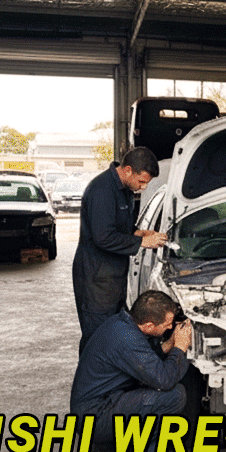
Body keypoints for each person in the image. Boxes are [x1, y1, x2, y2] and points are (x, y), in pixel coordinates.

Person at [70, 290, 191, 452]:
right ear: (149, 325)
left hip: (98, 406)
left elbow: (146, 361)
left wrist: (169, 344)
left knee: (155, 389)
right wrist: (180, 348)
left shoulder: (123, 325)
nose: (171, 326)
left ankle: (111, 444)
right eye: (168, 324)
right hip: (95, 417)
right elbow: (164, 379)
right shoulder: (126, 340)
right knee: (174, 396)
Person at [73, 147, 168, 353]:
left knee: (112, 336)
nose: (143, 188)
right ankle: (92, 384)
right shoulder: (102, 191)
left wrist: (138, 233)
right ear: (127, 170)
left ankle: (110, 383)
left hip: (112, 280)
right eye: (141, 182)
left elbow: (118, 228)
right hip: (96, 281)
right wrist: (142, 243)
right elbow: (103, 237)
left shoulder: (124, 190)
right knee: (97, 339)